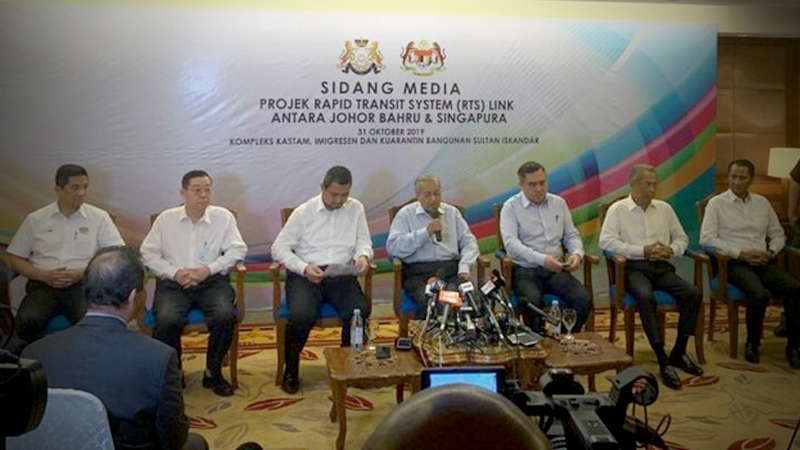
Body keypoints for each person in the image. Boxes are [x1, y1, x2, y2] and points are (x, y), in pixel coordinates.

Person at [22, 246, 209, 450]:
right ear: (132, 296)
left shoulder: (33, 353)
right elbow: (173, 438)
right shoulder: (158, 358)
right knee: (196, 443)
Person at [140, 170, 247, 397]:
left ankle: (213, 372)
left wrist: (208, 269)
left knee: (225, 315)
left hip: (211, 281)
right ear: (183, 193)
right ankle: (174, 372)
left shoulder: (223, 217)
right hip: (174, 283)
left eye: (207, 189)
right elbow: (148, 253)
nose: (203, 195)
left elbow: (238, 249)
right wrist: (175, 272)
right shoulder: (166, 219)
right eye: (197, 190)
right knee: (167, 319)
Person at [599, 164, 704, 389]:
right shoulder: (617, 209)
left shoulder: (664, 209)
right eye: (648, 184)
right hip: (633, 268)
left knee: (693, 293)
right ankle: (662, 359)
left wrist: (671, 250)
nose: (653, 188)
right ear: (634, 184)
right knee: (646, 297)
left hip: (661, 267)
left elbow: (682, 239)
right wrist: (642, 251)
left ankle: (678, 351)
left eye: (655, 183)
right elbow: (606, 243)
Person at [271, 165, 373, 394]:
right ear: (323, 188)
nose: (339, 200)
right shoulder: (303, 212)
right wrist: (304, 267)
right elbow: (279, 248)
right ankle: (291, 368)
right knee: (301, 314)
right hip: (307, 275)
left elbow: (363, 241)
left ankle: (348, 364)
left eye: (344, 195)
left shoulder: (355, 208)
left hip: (341, 274)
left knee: (358, 311)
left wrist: (363, 257)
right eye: (334, 194)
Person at [6, 164, 124, 343]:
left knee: (90, 324)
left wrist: (83, 272)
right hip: (43, 285)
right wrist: (42, 275)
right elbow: (15, 258)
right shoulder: (36, 219)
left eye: (85, 187)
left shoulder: (98, 217)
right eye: (75, 188)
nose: (81, 193)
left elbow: (116, 254)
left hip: (83, 286)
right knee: (27, 321)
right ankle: (34, 363)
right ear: (58, 190)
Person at [700, 159, 800, 368]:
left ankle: (794, 346)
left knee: (794, 288)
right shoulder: (717, 204)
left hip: (762, 260)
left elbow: (778, 234)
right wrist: (741, 254)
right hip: (733, 263)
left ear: (751, 180)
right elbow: (707, 239)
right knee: (758, 293)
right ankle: (752, 343)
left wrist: (770, 251)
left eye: (742, 177)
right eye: (732, 176)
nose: (736, 182)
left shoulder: (762, 203)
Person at [499, 161, 592, 333]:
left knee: (583, 300)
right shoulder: (511, 207)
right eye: (532, 184)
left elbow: (571, 235)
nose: (539, 189)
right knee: (532, 304)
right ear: (521, 185)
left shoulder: (559, 203)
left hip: (556, 270)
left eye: (542, 183)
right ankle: (537, 348)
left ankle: (563, 339)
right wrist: (542, 259)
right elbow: (511, 246)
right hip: (526, 270)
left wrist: (577, 254)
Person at [386, 174, 479, 318]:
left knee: (467, 299)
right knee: (431, 302)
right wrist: (425, 232)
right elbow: (394, 247)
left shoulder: (452, 213)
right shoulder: (405, 215)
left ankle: (463, 337)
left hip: (451, 270)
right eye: (427, 194)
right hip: (418, 273)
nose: (434, 199)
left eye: (437, 193)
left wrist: (464, 267)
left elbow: (469, 242)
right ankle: (430, 338)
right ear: (418, 196)